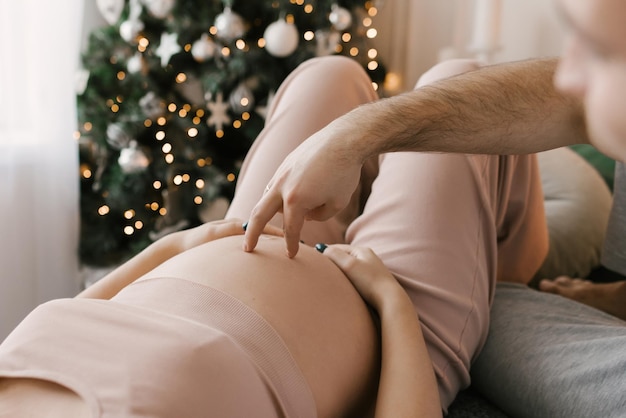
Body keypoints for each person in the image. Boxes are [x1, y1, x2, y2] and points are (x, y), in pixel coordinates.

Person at [0, 53, 548, 417]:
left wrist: (179, 244)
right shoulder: (389, 305)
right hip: (385, 318)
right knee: (460, 80)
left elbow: (80, 313)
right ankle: (519, 271)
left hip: (247, 232)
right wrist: (389, 300)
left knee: (328, 74)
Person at [242, 0, 626, 416]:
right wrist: (351, 135)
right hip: (358, 327)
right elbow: (564, 101)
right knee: (347, 73)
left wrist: (391, 301)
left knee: (334, 75)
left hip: (363, 337)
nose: (567, 75)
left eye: (600, 51)